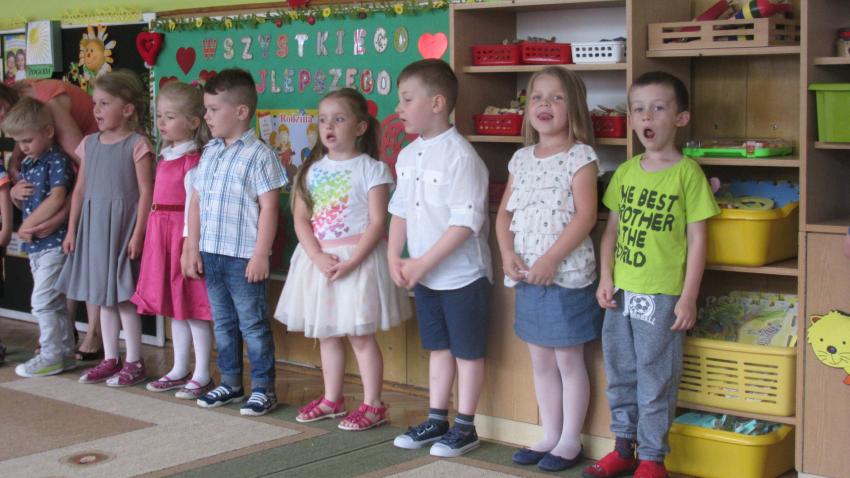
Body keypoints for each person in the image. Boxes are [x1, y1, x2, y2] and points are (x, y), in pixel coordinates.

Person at [584, 71, 719, 478]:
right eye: (639, 109)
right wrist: (605, 278)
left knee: (655, 377)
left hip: (662, 297)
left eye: (658, 108)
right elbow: (611, 231)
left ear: (680, 118)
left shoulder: (688, 174)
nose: (647, 116)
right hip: (621, 294)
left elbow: (698, 240)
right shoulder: (626, 172)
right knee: (620, 373)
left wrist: (688, 296)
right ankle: (623, 447)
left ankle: (652, 459)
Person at [274, 88, 411, 431]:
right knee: (328, 334)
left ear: (360, 127)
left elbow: (378, 222)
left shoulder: (373, 169)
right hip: (319, 261)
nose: (329, 126)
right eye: (323, 120)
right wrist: (317, 256)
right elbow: (301, 219)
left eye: (339, 119)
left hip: (357, 261)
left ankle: (373, 404)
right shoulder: (310, 170)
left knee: (360, 336)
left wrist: (351, 263)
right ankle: (332, 399)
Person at [494, 67, 602, 472]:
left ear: (573, 108)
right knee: (540, 361)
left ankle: (570, 440)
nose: (545, 104)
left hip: (566, 278)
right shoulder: (521, 159)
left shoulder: (580, 157)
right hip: (526, 278)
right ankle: (550, 434)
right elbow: (504, 215)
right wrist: (507, 252)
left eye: (556, 97)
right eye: (537, 97)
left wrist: (551, 259)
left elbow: (585, 216)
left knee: (568, 361)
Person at [388, 59, 492, 457]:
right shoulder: (407, 155)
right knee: (438, 348)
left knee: (467, 352)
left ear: (437, 103)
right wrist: (394, 255)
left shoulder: (460, 156)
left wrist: (421, 262)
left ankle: (466, 426)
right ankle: (437, 419)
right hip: (426, 277)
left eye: (407, 99)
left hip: (463, 276)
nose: (399, 108)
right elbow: (400, 210)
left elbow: (465, 223)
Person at [183, 68, 287, 416]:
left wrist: (261, 254)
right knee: (223, 323)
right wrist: (191, 245)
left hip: (243, 257)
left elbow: (270, 206)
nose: (207, 116)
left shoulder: (259, 154)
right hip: (212, 253)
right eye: (206, 109)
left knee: (252, 324)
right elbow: (196, 200)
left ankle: (263, 389)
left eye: (214, 109)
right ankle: (229, 382)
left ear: (241, 112)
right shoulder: (210, 151)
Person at [55, 70, 154, 387]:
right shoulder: (89, 144)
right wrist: (72, 229)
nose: (96, 110)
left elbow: (146, 193)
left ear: (127, 109)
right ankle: (111, 358)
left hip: (122, 230)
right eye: (95, 103)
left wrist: (138, 233)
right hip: (94, 230)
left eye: (104, 103)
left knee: (123, 297)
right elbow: (80, 191)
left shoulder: (137, 145)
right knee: (102, 297)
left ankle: (134, 360)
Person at [0, 79, 102, 362]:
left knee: (82, 266)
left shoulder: (48, 102)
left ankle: (92, 335)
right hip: (59, 200)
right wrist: (15, 187)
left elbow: (86, 162)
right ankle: (60, 341)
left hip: (93, 173)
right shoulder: (29, 130)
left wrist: (62, 214)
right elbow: (19, 165)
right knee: (54, 287)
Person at [132, 81, 214, 399]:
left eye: (170, 117)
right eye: (159, 116)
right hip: (160, 235)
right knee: (175, 308)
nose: (161, 123)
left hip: (181, 236)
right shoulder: (166, 155)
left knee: (192, 306)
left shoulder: (193, 160)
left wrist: (189, 244)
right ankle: (179, 368)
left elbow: (196, 205)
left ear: (193, 122)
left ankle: (203, 373)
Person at [2, 98, 75, 377]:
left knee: (42, 301)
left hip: (54, 245)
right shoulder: (29, 163)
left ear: (48, 132)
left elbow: (57, 197)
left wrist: (27, 224)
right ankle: (64, 352)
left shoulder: (56, 160)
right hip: (37, 247)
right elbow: (27, 201)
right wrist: (14, 195)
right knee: (53, 302)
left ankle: (49, 355)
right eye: (18, 142)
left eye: (28, 140)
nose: (23, 147)